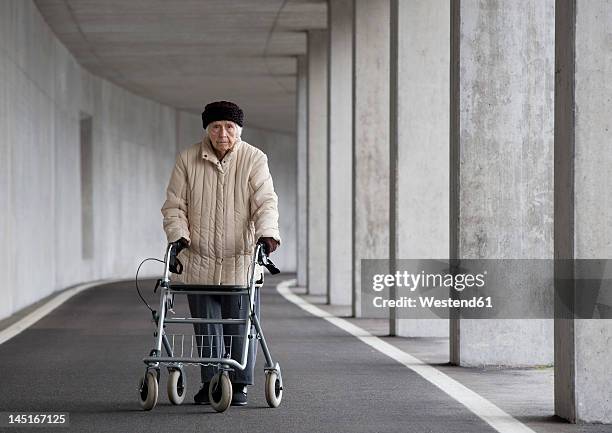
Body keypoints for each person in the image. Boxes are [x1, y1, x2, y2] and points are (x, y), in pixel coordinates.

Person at [161, 100, 281, 406]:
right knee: (207, 327)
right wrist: (179, 237)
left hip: (239, 260)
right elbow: (175, 206)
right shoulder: (187, 159)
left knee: (241, 324)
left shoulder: (254, 158)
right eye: (216, 127)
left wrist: (267, 235)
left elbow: (265, 202)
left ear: (239, 129)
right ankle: (212, 381)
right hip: (198, 259)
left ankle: (239, 384)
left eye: (229, 127)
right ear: (207, 129)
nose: (223, 133)